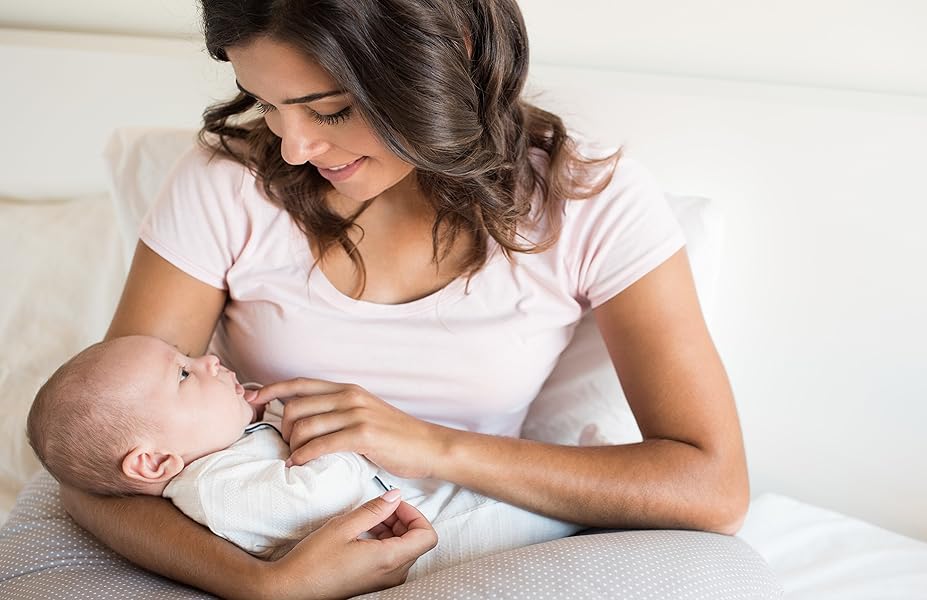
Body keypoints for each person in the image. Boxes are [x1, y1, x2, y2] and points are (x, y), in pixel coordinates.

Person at [59, 0, 750, 598]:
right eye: (267, 104)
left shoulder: (586, 203)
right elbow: (100, 465)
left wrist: (431, 446)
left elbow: (712, 488)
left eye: (329, 109)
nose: (295, 149)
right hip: (254, 543)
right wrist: (266, 585)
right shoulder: (228, 182)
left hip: (466, 537)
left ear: (447, 58)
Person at [28, 335, 579, 577]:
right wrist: (302, 432)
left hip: (432, 504)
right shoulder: (216, 487)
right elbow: (325, 495)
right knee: (550, 513)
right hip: (448, 535)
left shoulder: (226, 454)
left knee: (558, 495)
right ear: (152, 463)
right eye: (183, 374)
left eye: (190, 356)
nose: (211, 360)